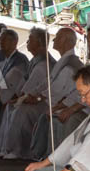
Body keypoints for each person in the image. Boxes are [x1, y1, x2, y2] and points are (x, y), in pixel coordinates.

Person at [0, 28, 57, 161]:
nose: (27, 42)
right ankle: (5, 147)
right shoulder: (35, 60)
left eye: (30, 40)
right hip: (35, 98)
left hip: (44, 103)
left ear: (39, 43)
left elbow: (33, 88)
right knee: (10, 106)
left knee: (21, 110)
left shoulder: (44, 63)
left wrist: (23, 97)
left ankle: (17, 149)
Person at [28, 28, 82, 159]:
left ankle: (41, 154)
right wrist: (32, 95)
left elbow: (57, 90)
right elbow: (48, 83)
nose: (53, 39)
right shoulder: (63, 61)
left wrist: (38, 98)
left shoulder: (72, 63)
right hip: (52, 101)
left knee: (26, 111)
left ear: (64, 40)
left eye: (57, 36)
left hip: (56, 103)